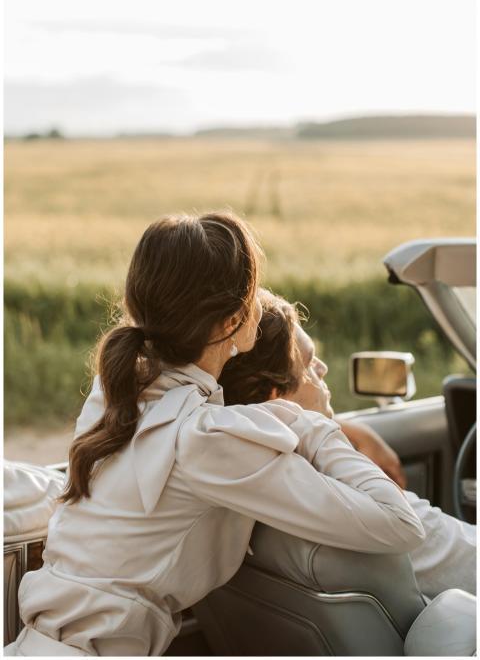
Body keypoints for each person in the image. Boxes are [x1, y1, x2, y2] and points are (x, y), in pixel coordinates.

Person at [6, 212, 426, 657]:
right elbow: (400, 524)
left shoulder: (114, 396)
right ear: (230, 323)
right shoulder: (208, 441)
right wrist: (312, 424)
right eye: (253, 292)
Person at [219, 288, 477, 599]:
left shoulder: (246, 480)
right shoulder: (369, 503)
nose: (323, 369)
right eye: (310, 362)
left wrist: (346, 428)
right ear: (277, 396)